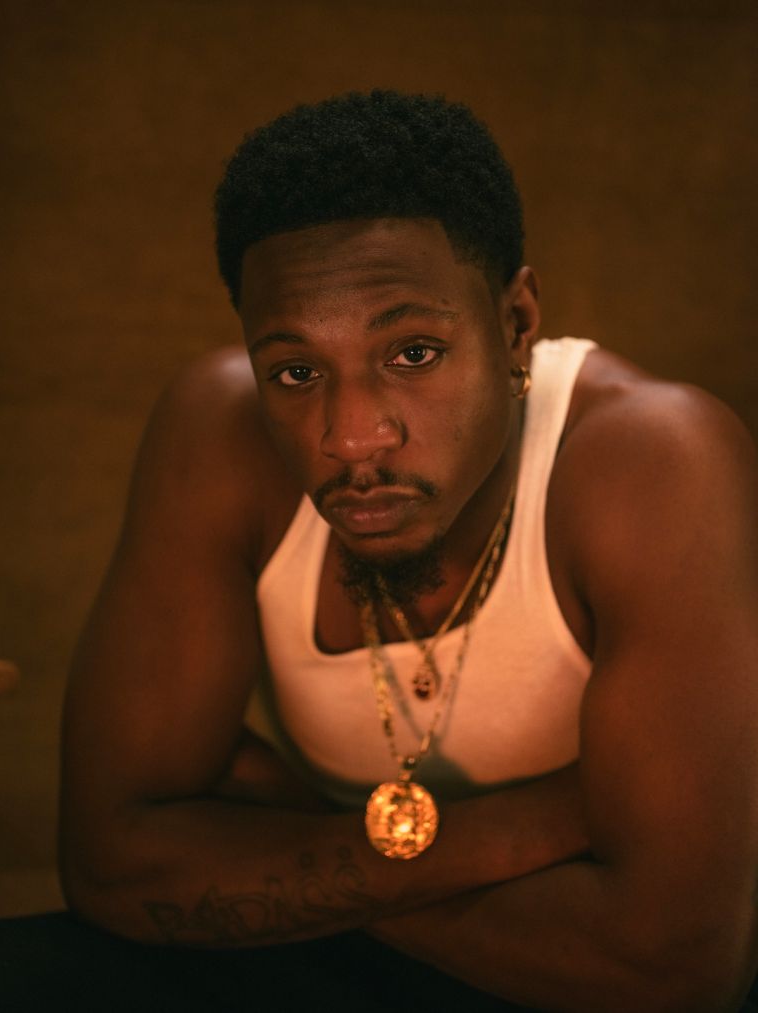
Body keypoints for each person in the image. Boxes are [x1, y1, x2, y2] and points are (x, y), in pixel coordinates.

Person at [48, 90, 758, 1010]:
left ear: (516, 325)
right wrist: (528, 826)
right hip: (475, 940)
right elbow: (112, 865)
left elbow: (672, 968)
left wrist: (283, 832)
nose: (352, 436)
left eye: (413, 352)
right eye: (296, 371)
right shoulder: (221, 431)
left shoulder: (652, 460)